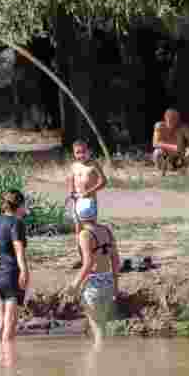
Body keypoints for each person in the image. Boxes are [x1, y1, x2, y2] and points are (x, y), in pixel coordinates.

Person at [0, 190, 31, 367]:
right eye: (24, 205)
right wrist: (24, 271)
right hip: (11, 274)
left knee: (0, 320)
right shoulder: (17, 223)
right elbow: (18, 248)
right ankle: (8, 367)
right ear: (19, 206)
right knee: (10, 324)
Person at [69, 198, 120, 347]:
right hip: (108, 281)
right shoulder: (107, 230)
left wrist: (75, 284)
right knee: (101, 326)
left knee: (97, 329)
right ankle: (102, 360)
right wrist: (116, 285)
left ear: (78, 215)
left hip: (94, 285)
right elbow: (116, 260)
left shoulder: (85, 235)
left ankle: (96, 362)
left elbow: (88, 263)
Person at [64, 139, 108, 269]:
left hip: (89, 202)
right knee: (78, 231)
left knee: (90, 231)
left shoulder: (93, 165)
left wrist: (88, 192)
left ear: (88, 151)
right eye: (78, 152)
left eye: (83, 152)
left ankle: (93, 258)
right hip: (77, 202)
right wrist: (71, 192)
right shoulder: (74, 166)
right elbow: (71, 179)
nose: (81, 155)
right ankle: (82, 259)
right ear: (74, 153)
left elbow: (103, 181)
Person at [152, 108, 189, 175]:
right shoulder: (160, 126)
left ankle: (181, 168)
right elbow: (155, 143)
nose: (173, 119)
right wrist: (173, 147)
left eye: (175, 117)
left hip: (178, 156)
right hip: (166, 155)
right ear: (165, 117)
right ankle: (163, 169)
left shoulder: (183, 128)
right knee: (157, 152)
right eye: (171, 117)